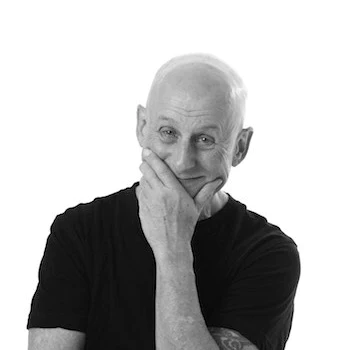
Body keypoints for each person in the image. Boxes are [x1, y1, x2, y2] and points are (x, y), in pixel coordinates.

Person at [27, 53, 300, 350]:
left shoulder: (269, 254)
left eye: (205, 139)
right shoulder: (79, 232)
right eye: (169, 132)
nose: (183, 162)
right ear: (143, 126)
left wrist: (173, 248)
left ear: (240, 147)